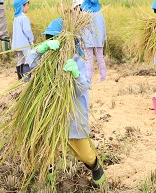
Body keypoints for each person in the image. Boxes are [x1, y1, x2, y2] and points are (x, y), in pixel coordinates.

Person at [26, 25, 106, 185]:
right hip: (50, 116)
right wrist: (41, 49)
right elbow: (29, 64)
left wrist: (75, 75)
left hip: (72, 117)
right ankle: (48, 180)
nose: (53, 42)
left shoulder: (77, 61)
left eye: (55, 39)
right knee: (46, 150)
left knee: (85, 155)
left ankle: (95, 166)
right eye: (50, 39)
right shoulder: (46, 58)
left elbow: (83, 86)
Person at [80, 0, 107, 82]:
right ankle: (103, 77)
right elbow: (103, 27)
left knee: (88, 59)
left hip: (87, 40)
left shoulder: (84, 14)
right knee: (100, 58)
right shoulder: (100, 13)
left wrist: (80, 39)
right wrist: (104, 38)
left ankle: (89, 78)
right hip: (99, 39)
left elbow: (80, 28)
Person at [11, 0, 34, 81]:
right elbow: (27, 30)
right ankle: (26, 77)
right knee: (28, 59)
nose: (28, 8)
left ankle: (20, 77)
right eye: (27, 6)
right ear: (22, 7)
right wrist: (31, 40)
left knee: (20, 59)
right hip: (24, 43)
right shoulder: (24, 18)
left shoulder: (16, 18)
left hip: (17, 44)